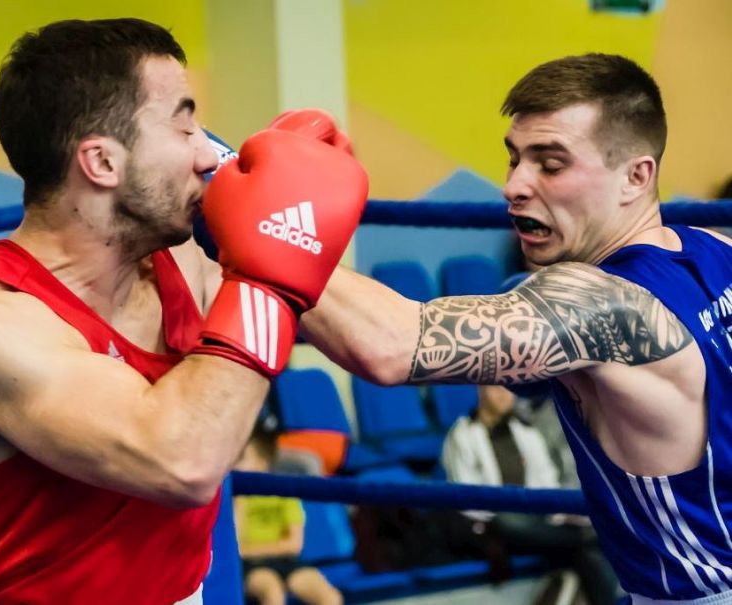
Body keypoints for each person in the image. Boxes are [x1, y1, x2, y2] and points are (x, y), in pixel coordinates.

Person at [0, 18, 367, 605]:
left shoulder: (182, 260)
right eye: (185, 126)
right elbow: (182, 460)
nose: (210, 152)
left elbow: (390, 345)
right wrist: (272, 266)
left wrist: (293, 235)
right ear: (101, 163)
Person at [292, 53, 732, 602]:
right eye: (514, 159)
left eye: (551, 164)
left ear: (635, 176)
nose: (514, 185)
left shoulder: (602, 306)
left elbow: (392, 346)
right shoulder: (714, 248)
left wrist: (269, 227)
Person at [442, 385, 617, 605]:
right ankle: (589, 536)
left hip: (537, 524)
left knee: (587, 554)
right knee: (507, 521)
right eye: (497, 389)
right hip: (494, 524)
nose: (504, 396)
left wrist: (555, 515)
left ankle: (586, 539)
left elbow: (547, 482)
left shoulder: (526, 431)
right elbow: (466, 497)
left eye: (508, 390)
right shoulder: (462, 435)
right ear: (481, 391)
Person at [234, 423, 343, 605]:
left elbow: (293, 545)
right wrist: (239, 501)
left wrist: (249, 550)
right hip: (250, 567)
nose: (234, 465)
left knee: (330, 598)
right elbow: (234, 545)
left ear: (263, 462)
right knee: (272, 592)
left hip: (288, 563)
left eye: (241, 458)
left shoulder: (284, 493)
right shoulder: (232, 500)